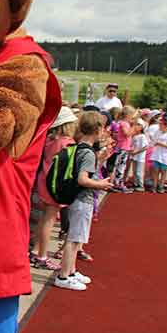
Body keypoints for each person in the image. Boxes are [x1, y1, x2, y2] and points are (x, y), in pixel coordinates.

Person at [54, 111, 112, 291]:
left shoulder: (81, 148)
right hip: (82, 199)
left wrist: (101, 160)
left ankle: (71, 271)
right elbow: (82, 179)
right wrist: (100, 184)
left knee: (77, 238)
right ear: (97, 129)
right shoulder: (87, 153)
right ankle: (64, 275)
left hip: (78, 199)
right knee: (74, 240)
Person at [32, 107, 77, 269]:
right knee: (49, 220)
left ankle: (36, 250)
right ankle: (42, 256)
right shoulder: (67, 143)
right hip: (56, 186)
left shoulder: (49, 140)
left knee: (44, 219)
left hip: (44, 181)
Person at [148, 116, 167, 194]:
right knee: (155, 171)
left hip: (164, 156)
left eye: (161, 124)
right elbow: (153, 141)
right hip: (156, 155)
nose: (159, 126)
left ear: (166, 126)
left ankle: (161, 185)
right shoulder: (157, 132)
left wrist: (161, 144)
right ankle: (154, 185)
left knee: (163, 171)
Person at [129, 119, 149, 191]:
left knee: (139, 172)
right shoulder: (134, 136)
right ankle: (135, 183)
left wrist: (136, 152)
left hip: (140, 157)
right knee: (134, 171)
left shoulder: (142, 136)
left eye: (138, 125)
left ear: (141, 127)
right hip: (134, 156)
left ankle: (140, 185)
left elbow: (146, 146)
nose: (135, 126)